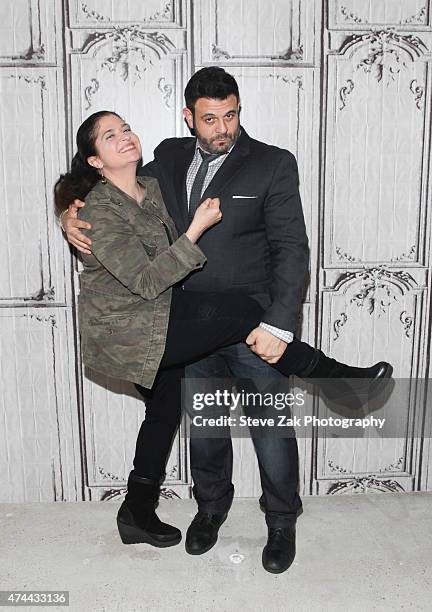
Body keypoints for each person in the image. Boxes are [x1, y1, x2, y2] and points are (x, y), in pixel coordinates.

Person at [60, 69, 391, 574]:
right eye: (210, 118)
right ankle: (210, 511)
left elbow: (291, 249)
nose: (222, 128)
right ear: (189, 117)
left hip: (254, 325)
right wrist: (68, 210)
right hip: (183, 322)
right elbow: (106, 193)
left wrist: (280, 324)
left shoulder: (273, 164)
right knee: (207, 431)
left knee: (269, 429)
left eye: (230, 115)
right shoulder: (166, 159)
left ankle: (281, 521)